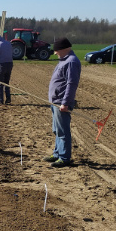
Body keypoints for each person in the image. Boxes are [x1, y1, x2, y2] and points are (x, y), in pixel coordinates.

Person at [44, 37, 81, 167]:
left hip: (61, 102)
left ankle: (64, 158)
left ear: (64, 49)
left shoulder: (71, 62)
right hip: (55, 101)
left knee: (63, 131)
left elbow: (71, 84)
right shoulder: (64, 60)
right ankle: (57, 154)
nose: (55, 53)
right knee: (57, 130)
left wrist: (65, 103)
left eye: (57, 50)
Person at [0, 32, 13, 104]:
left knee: (0, 83)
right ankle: (8, 98)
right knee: (6, 82)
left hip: (2, 65)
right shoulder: (8, 43)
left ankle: (0, 100)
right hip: (10, 64)